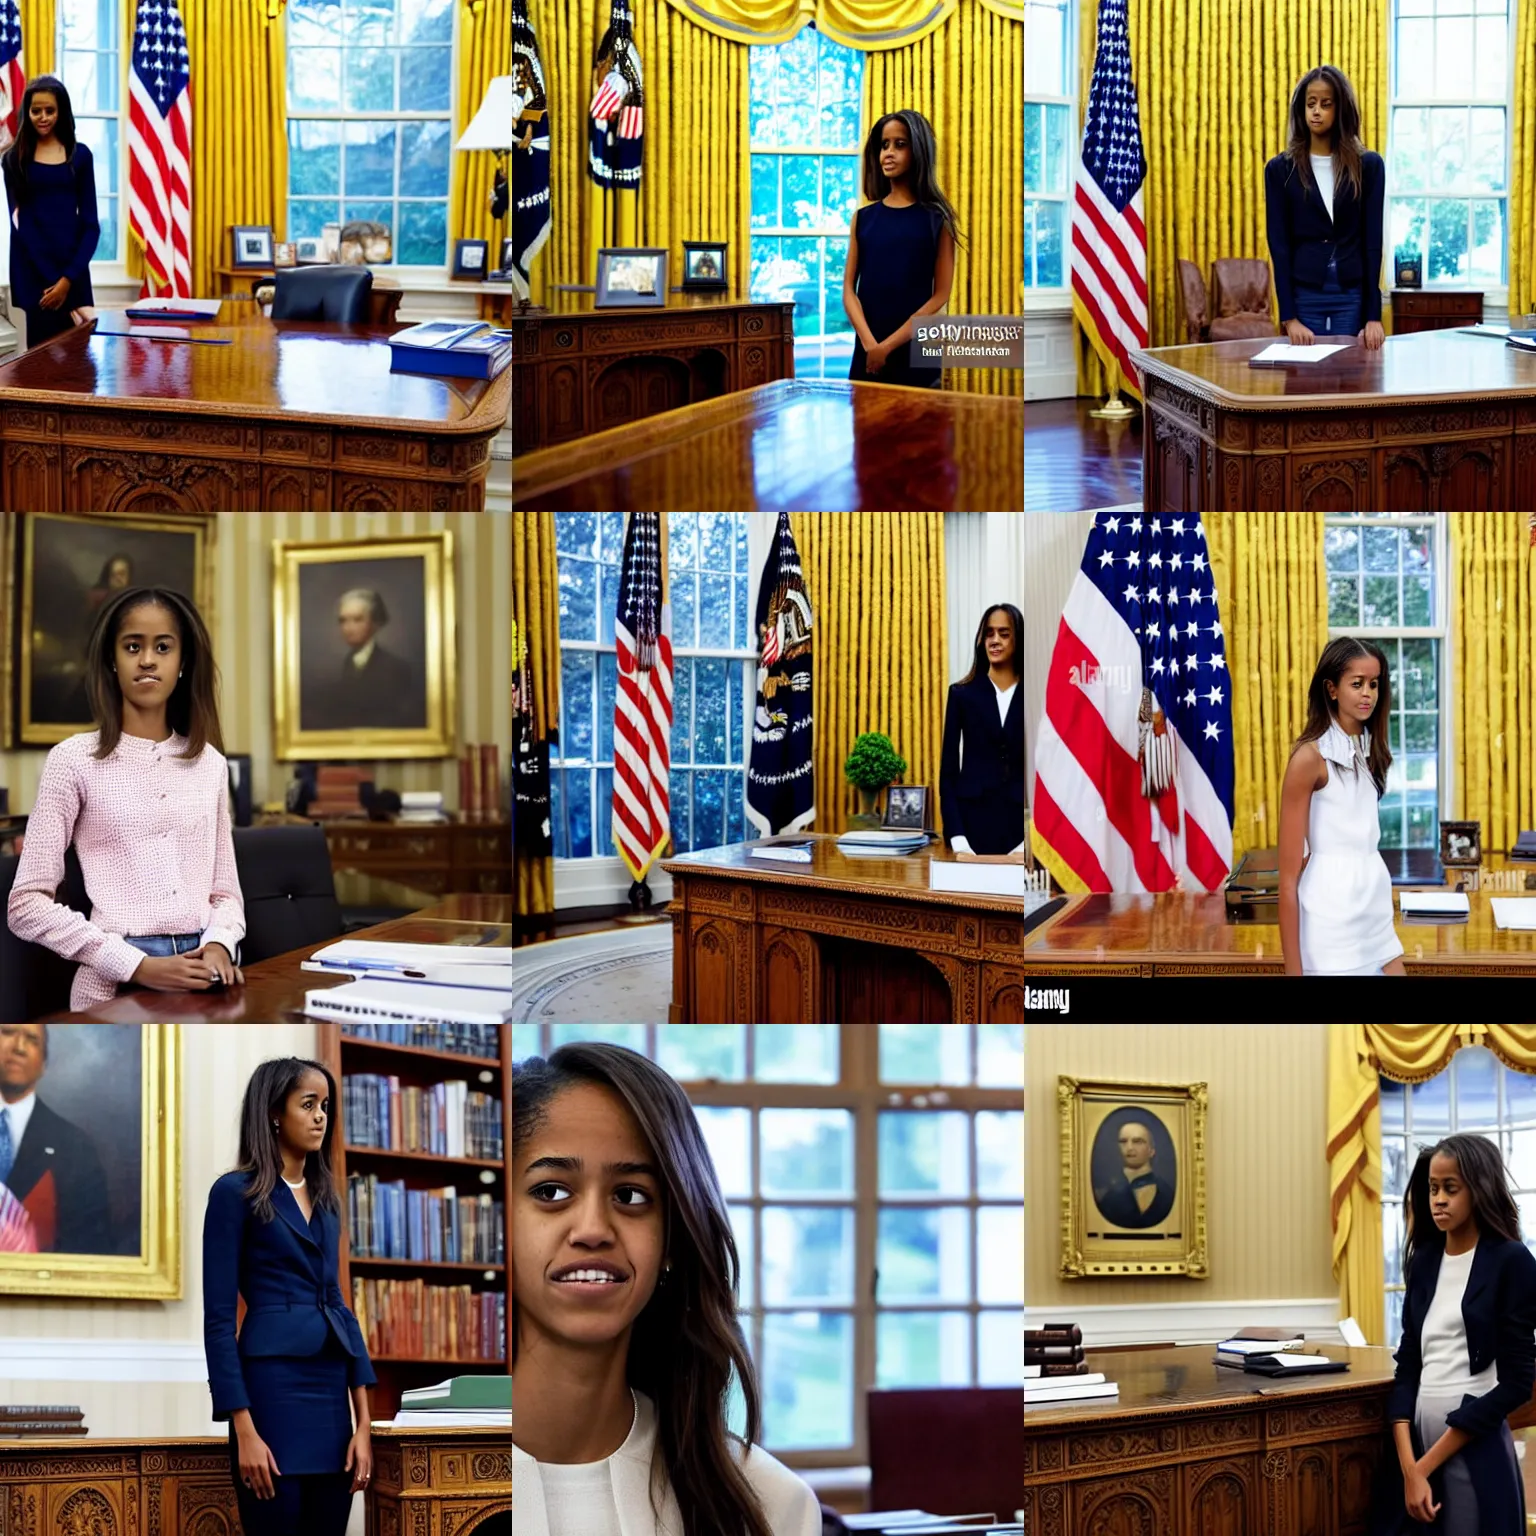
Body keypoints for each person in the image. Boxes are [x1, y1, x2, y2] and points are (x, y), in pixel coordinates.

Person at [512, 1042, 822, 1536]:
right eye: (551, 1191)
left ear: (673, 1238)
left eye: (631, 1196)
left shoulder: (769, 1504)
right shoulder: (403, 1482)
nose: (592, 1229)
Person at [6, 585, 247, 1011]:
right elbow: (26, 906)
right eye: (133, 646)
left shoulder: (210, 763)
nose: (148, 660)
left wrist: (219, 946)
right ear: (112, 661)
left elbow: (224, 893)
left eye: (163, 647)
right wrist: (135, 964)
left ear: (183, 662)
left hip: (206, 981)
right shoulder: (73, 760)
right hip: (113, 989)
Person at [203, 1058, 376, 1536]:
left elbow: (338, 1305)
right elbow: (218, 1321)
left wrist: (363, 1424)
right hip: (269, 1398)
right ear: (275, 1113)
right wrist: (244, 1431)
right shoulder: (233, 1194)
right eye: (308, 1105)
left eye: (325, 1106)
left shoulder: (326, 1199)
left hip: (330, 1403)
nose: (321, 1116)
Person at [1385, 1134, 1536, 1534]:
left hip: (1476, 1448)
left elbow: (1519, 1382)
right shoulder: (1425, 1262)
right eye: (1433, 1188)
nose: (1438, 1199)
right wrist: (1410, 1469)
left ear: (1479, 1188)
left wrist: (1424, 1467)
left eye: (1451, 1189)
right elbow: (1408, 1369)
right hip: (1417, 1450)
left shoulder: (1512, 1261)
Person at [1277, 636, 1405, 976]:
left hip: (1375, 912)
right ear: (1332, 689)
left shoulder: (1366, 751)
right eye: (1357, 684)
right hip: (1329, 926)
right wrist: (1293, 972)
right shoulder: (1309, 758)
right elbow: (1287, 882)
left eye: (1374, 684)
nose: (1368, 694)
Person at [1264, 65, 1385, 351]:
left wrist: (1373, 316)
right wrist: (1289, 318)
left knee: (1350, 384)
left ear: (1339, 109)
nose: (1316, 111)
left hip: (1351, 296)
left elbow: (1372, 243)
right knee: (1303, 388)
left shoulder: (1368, 166)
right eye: (1310, 104)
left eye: (1325, 104)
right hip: (1305, 296)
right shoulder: (1280, 170)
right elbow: (1279, 246)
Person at [844, 109, 960, 388]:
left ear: (918, 150)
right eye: (884, 145)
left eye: (899, 144)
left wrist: (887, 347)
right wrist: (871, 344)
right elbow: (849, 289)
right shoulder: (863, 218)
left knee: (919, 431)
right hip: (867, 351)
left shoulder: (937, 219)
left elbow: (940, 295)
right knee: (866, 430)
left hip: (915, 352)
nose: (888, 153)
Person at [1, 76, 100, 350]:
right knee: (39, 367)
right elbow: (21, 225)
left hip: (73, 273)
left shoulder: (80, 157)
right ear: (27, 112)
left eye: (50, 110)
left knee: (79, 370)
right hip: (32, 275)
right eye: (36, 111)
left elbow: (91, 226)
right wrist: (54, 284)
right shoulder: (12, 160)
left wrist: (67, 281)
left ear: (61, 111)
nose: (42, 117)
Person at [0, 1023, 110, 1252]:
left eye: (32, 1040)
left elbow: (91, 1247)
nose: (19, 1047)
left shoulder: (75, 1147)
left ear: (44, 1065)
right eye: (8, 1032)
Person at [940, 602, 1025, 857]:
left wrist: (1027, 845)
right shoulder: (961, 694)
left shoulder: (1035, 694)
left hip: (1019, 834)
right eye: (989, 633)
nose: (995, 640)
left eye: (1004, 633)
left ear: (1018, 639)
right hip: (971, 832)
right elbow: (948, 774)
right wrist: (958, 840)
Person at [316, 588, 422, 731]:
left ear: (375, 623)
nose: (348, 628)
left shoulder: (396, 668)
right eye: (343, 621)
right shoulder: (341, 667)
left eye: (357, 620)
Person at [1093, 1120, 1175, 1230]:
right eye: (1123, 1142)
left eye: (1138, 1141)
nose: (1130, 1148)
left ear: (1151, 1151)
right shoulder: (1103, 1193)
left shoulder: (1167, 1193)